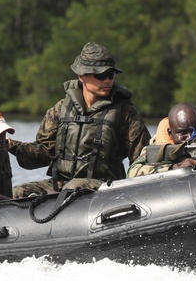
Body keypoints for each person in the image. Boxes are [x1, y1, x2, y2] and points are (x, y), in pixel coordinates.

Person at [10, 41, 151, 197]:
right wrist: (12, 146)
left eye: (111, 75)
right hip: (61, 183)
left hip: (105, 185)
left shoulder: (125, 113)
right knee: (16, 193)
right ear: (81, 76)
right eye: (100, 75)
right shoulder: (60, 109)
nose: (107, 80)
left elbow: (142, 158)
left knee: (72, 188)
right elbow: (44, 153)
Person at [127, 102, 196, 178]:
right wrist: (172, 169)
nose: (190, 137)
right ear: (170, 133)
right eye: (183, 132)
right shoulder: (159, 148)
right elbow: (132, 172)